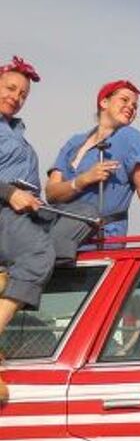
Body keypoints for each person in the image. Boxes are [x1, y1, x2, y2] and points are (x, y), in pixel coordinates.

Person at [0, 56, 94, 344]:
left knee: (86, 213)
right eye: (10, 88)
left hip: (28, 211)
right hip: (4, 207)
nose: (16, 97)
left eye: (22, 94)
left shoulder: (17, 132)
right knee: (40, 254)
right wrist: (10, 193)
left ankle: (11, 275)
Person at [45, 80, 140, 243]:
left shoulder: (132, 138)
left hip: (102, 241)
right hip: (61, 237)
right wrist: (83, 180)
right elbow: (51, 193)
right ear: (104, 102)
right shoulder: (74, 142)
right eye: (124, 100)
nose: (131, 107)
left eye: (135, 106)